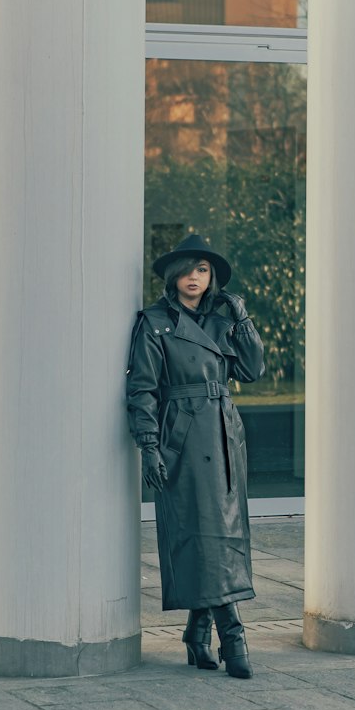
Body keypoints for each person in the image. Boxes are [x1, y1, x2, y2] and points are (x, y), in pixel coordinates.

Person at [125, 232, 265, 678]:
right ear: (173, 275)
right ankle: (234, 636)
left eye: (202, 270)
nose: (194, 278)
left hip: (224, 433)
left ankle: (197, 634)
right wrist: (147, 445)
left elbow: (252, 370)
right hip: (182, 436)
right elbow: (142, 388)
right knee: (202, 534)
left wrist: (242, 320)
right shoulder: (154, 322)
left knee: (224, 533)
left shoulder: (220, 322)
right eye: (187, 270)